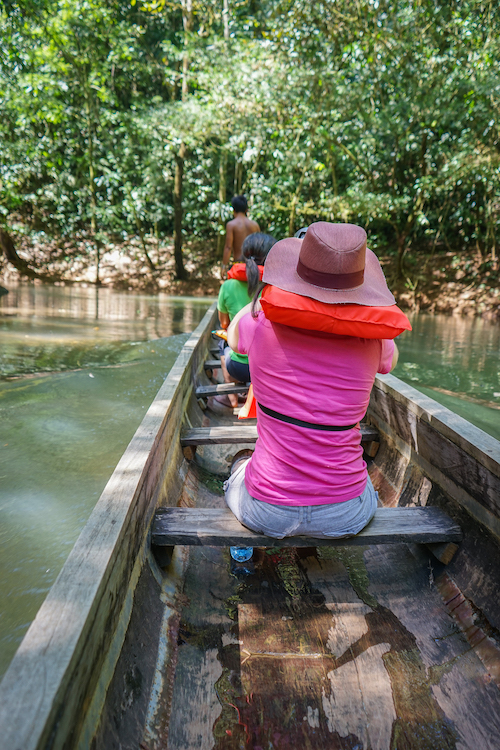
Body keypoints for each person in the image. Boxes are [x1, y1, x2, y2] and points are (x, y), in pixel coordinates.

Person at [225, 221, 399, 544]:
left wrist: (260, 299)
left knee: (239, 467)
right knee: (368, 490)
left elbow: (233, 339)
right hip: (345, 512)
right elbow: (391, 361)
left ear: (296, 275)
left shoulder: (260, 320)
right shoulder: (374, 339)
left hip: (267, 509)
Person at [216, 232, 276, 408]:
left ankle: (233, 400)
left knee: (222, 343)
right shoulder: (277, 287)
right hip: (271, 369)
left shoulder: (228, 286)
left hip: (239, 367)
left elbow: (224, 324)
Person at [221, 195, 260, 278]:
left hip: (238, 265)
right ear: (246, 210)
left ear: (234, 210)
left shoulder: (231, 225)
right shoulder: (255, 225)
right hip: (253, 266)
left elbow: (228, 247)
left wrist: (224, 266)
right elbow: (260, 247)